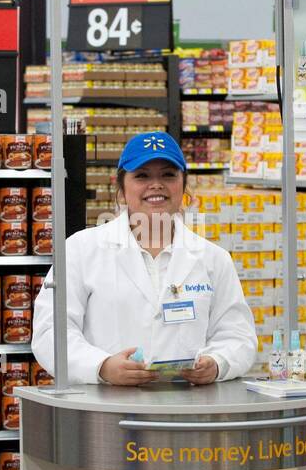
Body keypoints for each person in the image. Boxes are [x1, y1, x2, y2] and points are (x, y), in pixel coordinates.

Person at [32, 131, 258, 386]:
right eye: (142, 176)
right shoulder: (80, 250)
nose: (156, 184)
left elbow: (239, 336)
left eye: (168, 175)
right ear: (121, 189)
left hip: (188, 409)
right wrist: (102, 366)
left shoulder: (213, 258)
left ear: (184, 185)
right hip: (103, 409)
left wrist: (217, 363)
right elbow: (50, 333)